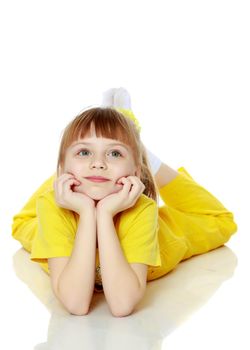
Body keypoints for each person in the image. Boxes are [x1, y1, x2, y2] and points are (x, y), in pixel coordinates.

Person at [11, 88, 238, 317]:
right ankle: (110, 148)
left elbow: (121, 305)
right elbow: (76, 304)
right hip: (67, 191)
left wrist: (105, 214)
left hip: (158, 234)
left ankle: (138, 152)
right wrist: (88, 212)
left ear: (136, 173)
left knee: (220, 220)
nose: (98, 163)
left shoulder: (143, 210)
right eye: (84, 151)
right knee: (23, 222)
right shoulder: (52, 207)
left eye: (115, 153)